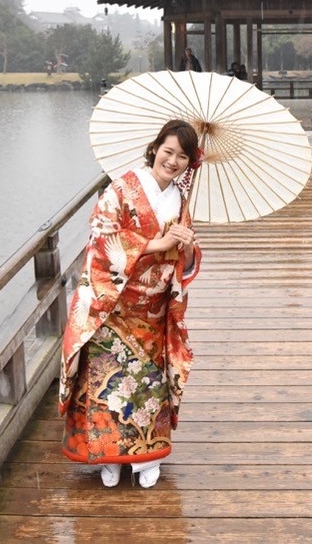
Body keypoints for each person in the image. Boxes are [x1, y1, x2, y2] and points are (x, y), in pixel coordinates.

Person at [59, 119, 203, 489]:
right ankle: (110, 458)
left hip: (154, 310)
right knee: (108, 382)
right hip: (116, 306)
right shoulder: (120, 190)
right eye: (168, 151)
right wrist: (155, 244)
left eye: (182, 157)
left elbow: (184, 265)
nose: (172, 161)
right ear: (154, 149)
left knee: (147, 386)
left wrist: (185, 250)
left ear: (189, 163)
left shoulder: (181, 200)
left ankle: (146, 457)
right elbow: (100, 240)